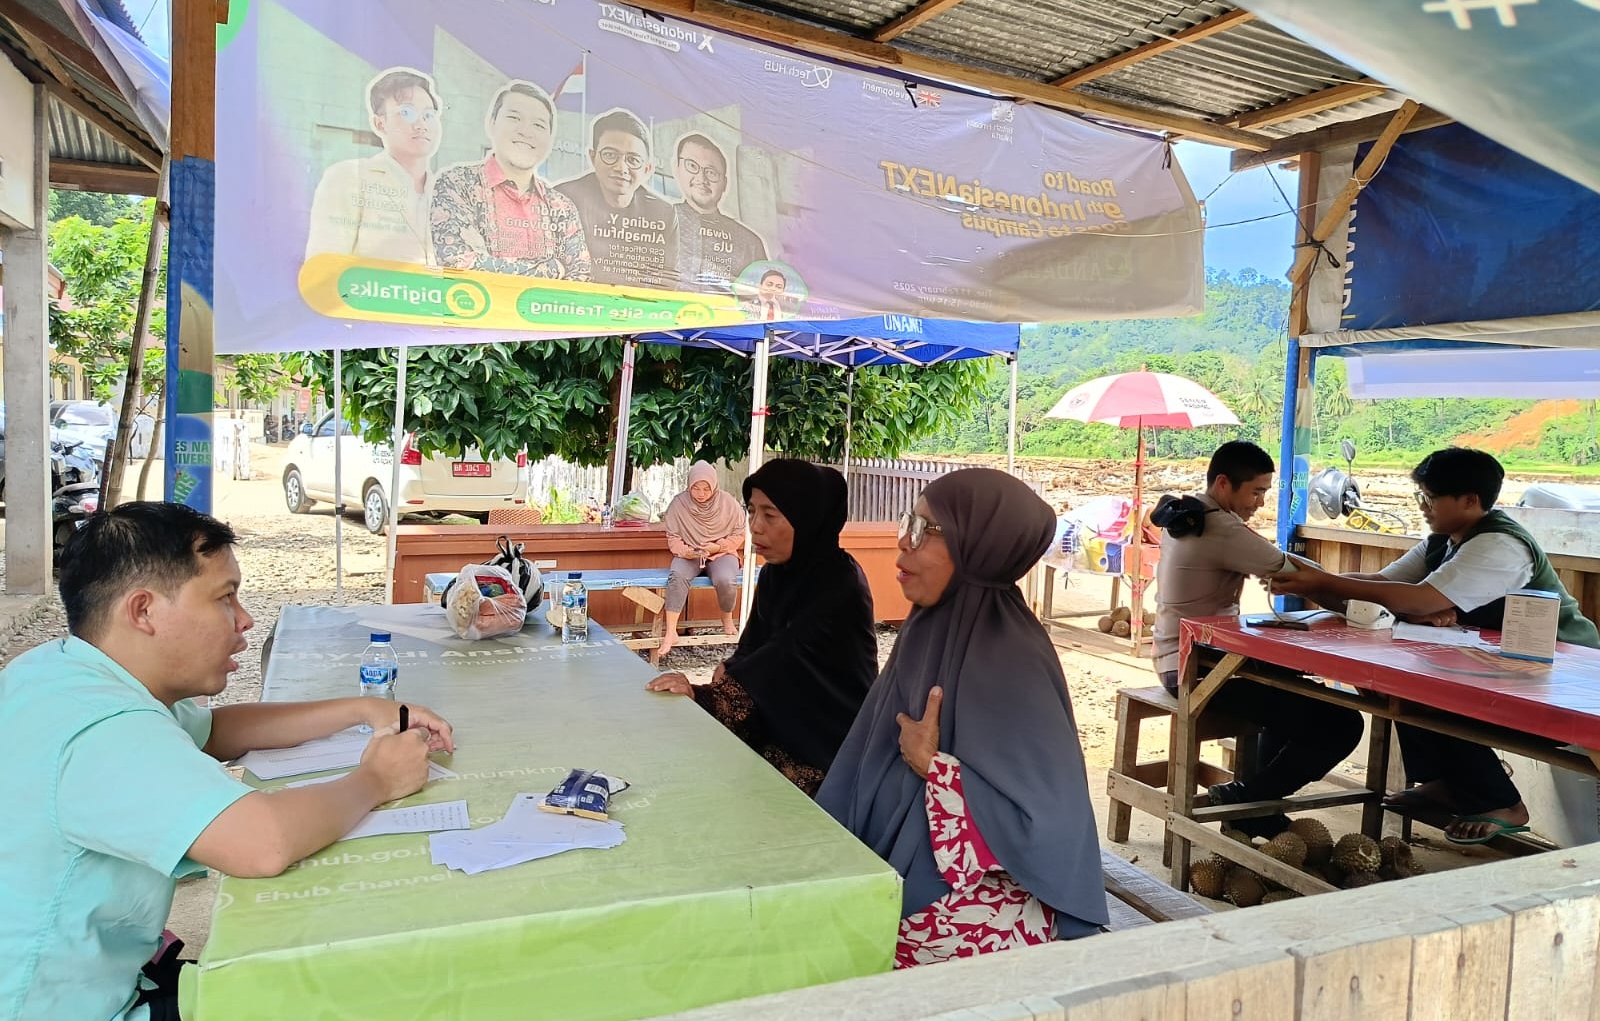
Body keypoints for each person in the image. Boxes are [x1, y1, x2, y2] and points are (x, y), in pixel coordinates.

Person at [0, 502, 454, 1020]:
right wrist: (377, 779)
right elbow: (261, 843)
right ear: (144, 611)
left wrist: (363, 709)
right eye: (224, 598)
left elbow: (217, 730)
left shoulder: (60, 670)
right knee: (364, 988)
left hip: (89, 979)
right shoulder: (101, 729)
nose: (245, 619)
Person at [819, 468, 1108, 967]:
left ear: (979, 546)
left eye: (924, 531)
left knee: (841, 948)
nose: (903, 545)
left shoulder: (1011, 658)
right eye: (907, 524)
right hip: (895, 855)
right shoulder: (928, 627)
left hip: (985, 893)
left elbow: (1051, 824)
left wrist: (934, 767)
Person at [1271, 446, 1600, 844]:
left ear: (1470, 500)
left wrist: (1323, 582)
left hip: (1559, 670)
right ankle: (1447, 782)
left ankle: (1501, 803)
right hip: (1497, 661)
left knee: (1440, 698)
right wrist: (1313, 580)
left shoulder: (1500, 545)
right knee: (1400, 686)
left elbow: (1421, 599)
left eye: (1429, 498)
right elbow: (1383, 584)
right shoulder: (1442, 542)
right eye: (1421, 496)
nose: (1422, 506)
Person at [1154, 440, 1364, 837]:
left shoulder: (1188, 513)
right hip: (1197, 670)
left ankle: (1257, 806)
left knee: (1292, 690)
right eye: (1256, 492)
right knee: (1342, 723)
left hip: (1181, 657)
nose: (1260, 502)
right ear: (1223, 483)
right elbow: (1293, 570)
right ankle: (1248, 799)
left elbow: (1278, 564)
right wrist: (1360, 602)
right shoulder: (1219, 527)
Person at [646, 460, 876, 796]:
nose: (756, 526)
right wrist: (729, 668)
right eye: (752, 512)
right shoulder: (775, 574)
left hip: (828, 742)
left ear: (807, 518)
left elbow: (783, 657)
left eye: (770, 515)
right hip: (781, 721)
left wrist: (706, 696)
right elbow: (754, 646)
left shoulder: (840, 583)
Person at [430, 81, 591, 280]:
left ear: (550, 139)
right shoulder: (457, 184)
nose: (526, 131)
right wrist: (552, 269)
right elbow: (457, 260)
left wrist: (489, 261)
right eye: (514, 118)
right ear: (491, 123)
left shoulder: (561, 206)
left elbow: (581, 274)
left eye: (539, 125)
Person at [305, 68, 443, 264]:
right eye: (407, 113)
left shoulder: (449, 192)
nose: (421, 124)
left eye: (428, 115)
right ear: (380, 123)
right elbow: (324, 268)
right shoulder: (349, 177)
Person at [554, 108, 677, 288]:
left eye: (633, 160)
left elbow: (666, 285)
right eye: (610, 155)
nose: (621, 168)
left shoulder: (663, 213)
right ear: (592, 157)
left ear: (647, 170)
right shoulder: (561, 200)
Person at [657, 461, 745, 658]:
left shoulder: (728, 503)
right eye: (696, 488)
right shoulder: (679, 504)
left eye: (706, 489)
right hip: (690, 553)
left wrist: (718, 547)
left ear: (714, 487)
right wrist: (686, 552)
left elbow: (740, 534)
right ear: (689, 485)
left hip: (721, 553)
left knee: (725, 579)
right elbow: (673, 536)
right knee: (677, 576)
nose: (701, 493)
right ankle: (671, 631)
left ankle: (727, 619)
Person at [671, 133, 768, 291]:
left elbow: (763, 296)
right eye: (692, 166)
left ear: (724, 183)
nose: (702, 179)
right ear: (677, 169)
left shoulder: (749, 243)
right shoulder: (656, 221)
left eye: (711, 172)